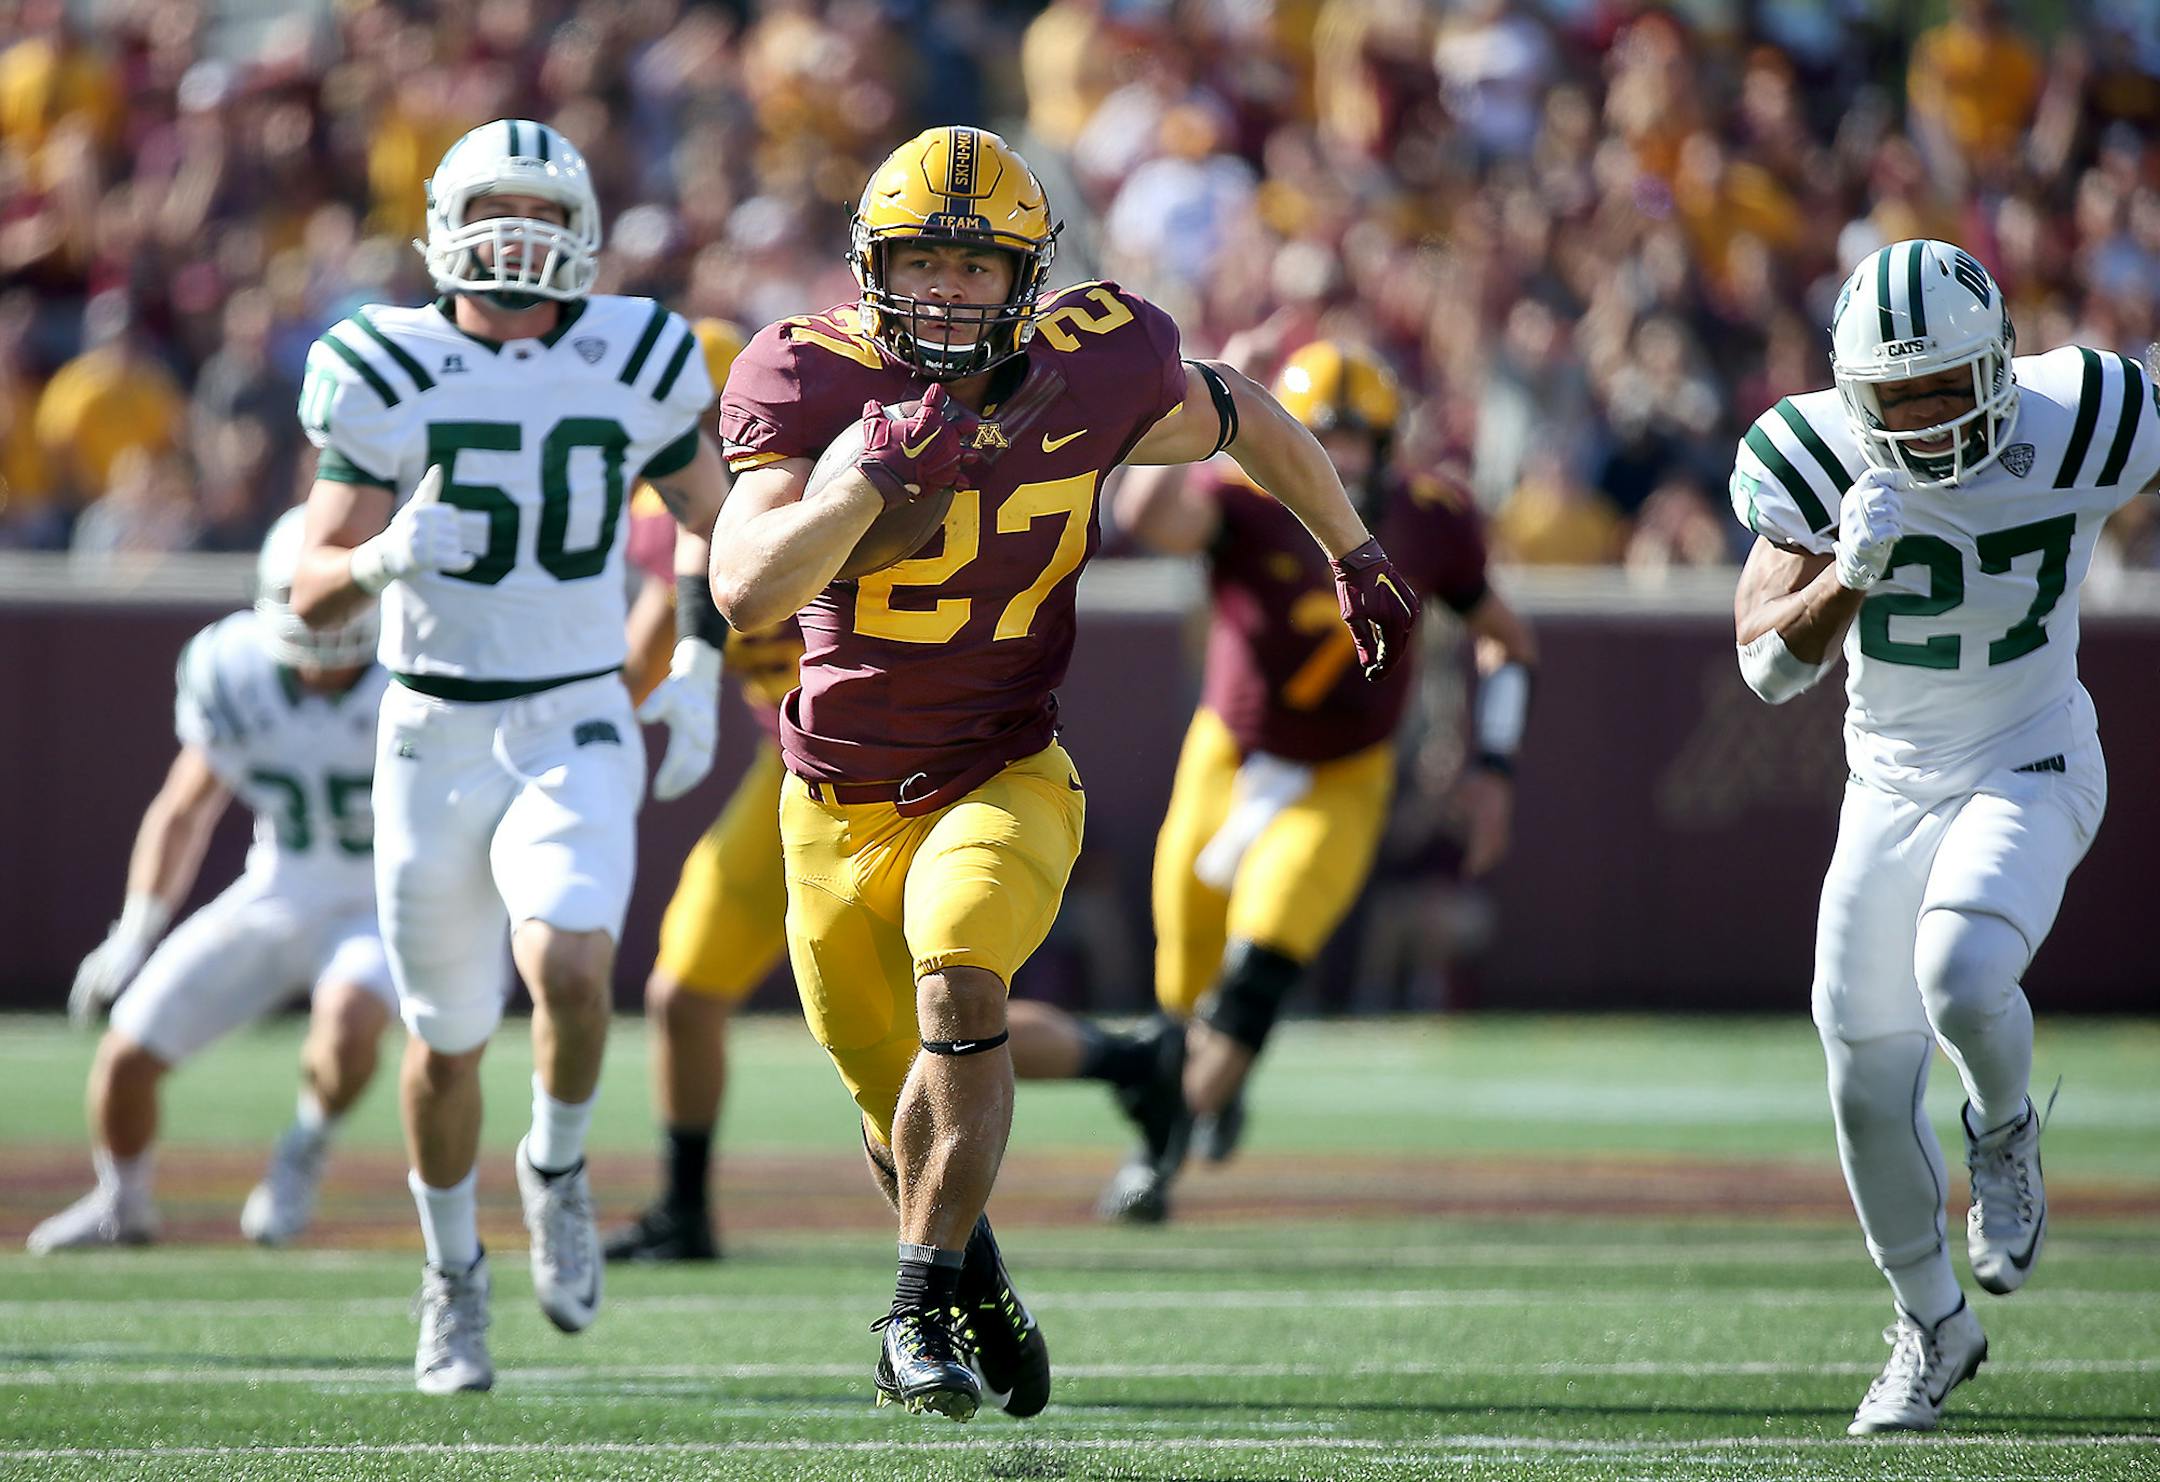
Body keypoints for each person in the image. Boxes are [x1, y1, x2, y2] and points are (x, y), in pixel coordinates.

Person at [708, 125, 1419, 1424]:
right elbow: (746, 588)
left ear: (1028, 277)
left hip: (1001, 769)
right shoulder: (807, 376)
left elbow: (1241, 412)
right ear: (871, 268)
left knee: (963, 980)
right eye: (919, 260)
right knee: (892, 1108)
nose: (943, 291)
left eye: (975, 267)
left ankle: (915, 1307)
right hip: (829, 803)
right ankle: (973, 1285)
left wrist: (1350, 541)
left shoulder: (1098, 366)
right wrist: (858, 484)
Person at [286, 119, 730, 1395]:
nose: (516, 233)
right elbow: (310, 583)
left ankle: (557, 1166)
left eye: (541, 210)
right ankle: (451, 1276)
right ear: (439, 223)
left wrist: (695, 659)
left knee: (574, 958)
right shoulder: (383, 362)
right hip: (431, 726)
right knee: (445, 1038)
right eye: (494, 206)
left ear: (583, 231)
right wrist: (375, 560)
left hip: (572, 709)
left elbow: (708, 518)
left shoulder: (639, 352)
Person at [1728, 238, 2160, 1434]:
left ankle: (2006, 1128)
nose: (1921, 423)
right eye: (1895, 398)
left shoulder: (2088, 413)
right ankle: (1932, 1327)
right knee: (1861, 1064)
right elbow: (1766, 667)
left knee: (1961, 970)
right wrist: (1845, 578)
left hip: (2034, 755)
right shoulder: (1811, 457)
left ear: (2001, 362)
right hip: (1890, 784)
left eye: (1941, 388)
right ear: (1850, 392)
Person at [1008, 338, 1538, 1223]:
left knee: (1256, 971)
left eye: (1354, 441)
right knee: (1183, 983)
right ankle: (1201, 1087)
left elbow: (1508, 640)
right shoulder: (1239, 501)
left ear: (1387, 442)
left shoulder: (1432, 517)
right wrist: (1208, 391)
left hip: (1342, 774)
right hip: (1230, 755)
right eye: (1315, 439)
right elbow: (1145, 513)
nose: (1337, 462)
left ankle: (1156, 1158)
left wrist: (1495, 764)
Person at [29, 508, 394, 1253]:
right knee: (125, 1057)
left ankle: (306, 1143)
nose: (321, 654)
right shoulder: (236, 668)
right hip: (282, 884)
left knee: (349, 1018)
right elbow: (184, 807)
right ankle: (121, 1204)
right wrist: (133, 931)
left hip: (386, 898)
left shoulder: (411, 675)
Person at [602, 316, 811, 1264]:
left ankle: (1128, 1063)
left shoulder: (817, 477)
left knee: (932, 1021)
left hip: (899, 763)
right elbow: (645, 648)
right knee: (683, 993)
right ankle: (685, 1210)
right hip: (792, 766)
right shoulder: (673, 501)